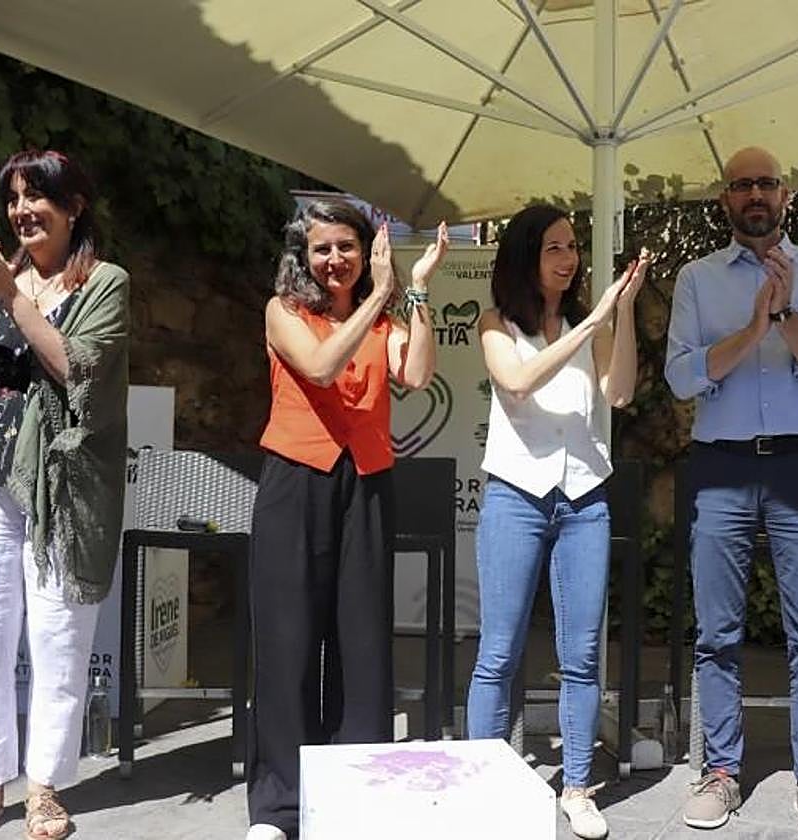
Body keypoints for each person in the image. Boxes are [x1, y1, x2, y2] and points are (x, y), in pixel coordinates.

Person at [0, 149, 129, 840]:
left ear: (74, 207)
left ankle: (44, 788)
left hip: (60, 490)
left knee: (59, 640)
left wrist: (10, 295)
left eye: (36, 197)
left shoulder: (104, 282)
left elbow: (80, 372)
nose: (20, 211)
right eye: (12, 199)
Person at [666, 147, 798, 839]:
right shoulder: (696, 278)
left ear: (785, 197)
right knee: (717, 632)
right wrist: (752, 324)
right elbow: (684, 377)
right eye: (742, 184)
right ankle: (720, 771)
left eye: (766, 184)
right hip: (720, 467)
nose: (755, 195)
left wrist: (784, 314)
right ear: (725, 200)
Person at [245, 198, 447, 840]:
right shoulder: (284, 312)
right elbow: (322, 366)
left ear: (367, 254)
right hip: (294, 482)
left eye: (346, 247)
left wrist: (413, 292)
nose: (334, 259)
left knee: (360, 643)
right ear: (304, 256)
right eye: (322, 248)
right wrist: (378, 299)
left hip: (365, 481)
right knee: (288, 641)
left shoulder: (383, 319)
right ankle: (279, 807)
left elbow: (416, 374)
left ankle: (355, 790)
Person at [466, 203, 649, 840]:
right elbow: (516, 382)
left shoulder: (588, 323)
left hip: (584, 502)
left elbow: (619, 392)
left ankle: (576, 786)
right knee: (499, 652)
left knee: (581, 655)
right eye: (554, 248)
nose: (569, 259)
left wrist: (619, 313)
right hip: (517, 497)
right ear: (526, 255)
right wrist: (590, 323)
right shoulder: (495, 322)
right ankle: (483, 783)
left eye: (573, 247)